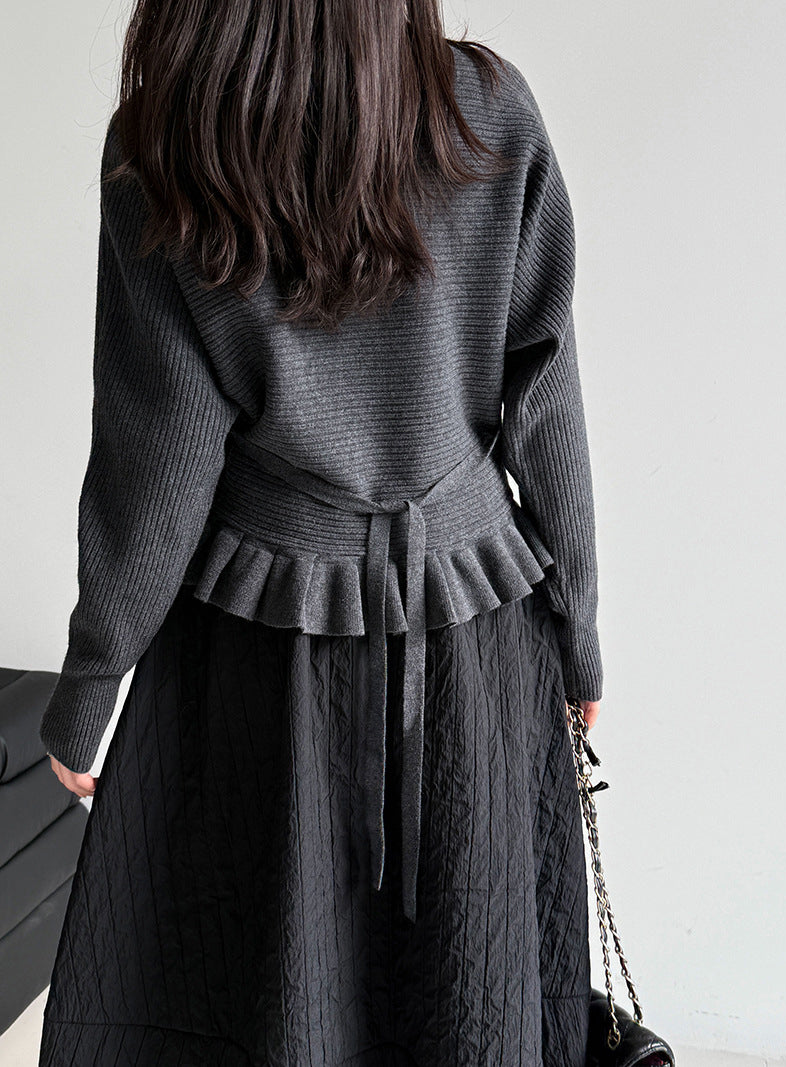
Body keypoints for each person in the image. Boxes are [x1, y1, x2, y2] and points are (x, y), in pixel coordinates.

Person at [37, 2, 603, 1064]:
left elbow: (155, 465)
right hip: (476, 638)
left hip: (260, 649)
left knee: (271, 985)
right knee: (470, 994)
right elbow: (544, 404)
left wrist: (90, 689)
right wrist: (577, 633)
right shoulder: (484, 110)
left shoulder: (164, 143)